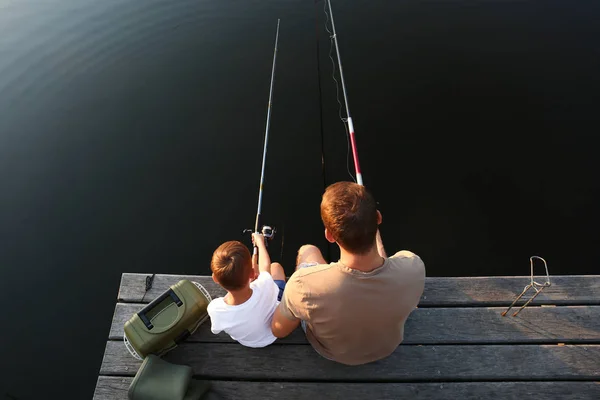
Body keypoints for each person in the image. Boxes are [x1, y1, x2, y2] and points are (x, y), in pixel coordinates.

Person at [271, 181, 426, 365]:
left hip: (331, 352)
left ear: (329, 235)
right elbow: (392, 262)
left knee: (309, 250)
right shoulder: (413, 268)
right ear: (378, 217)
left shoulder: (302, 286)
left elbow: (278, 330)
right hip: (387, 348)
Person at [207, 233, 286, 347]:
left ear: (215, 278)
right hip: (272, 335)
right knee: (276, 267)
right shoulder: (264, 285)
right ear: (253, 273)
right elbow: (266, 267)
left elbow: (216, 330)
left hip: (248, 342)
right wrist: (260, 243)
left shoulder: (215, 309)